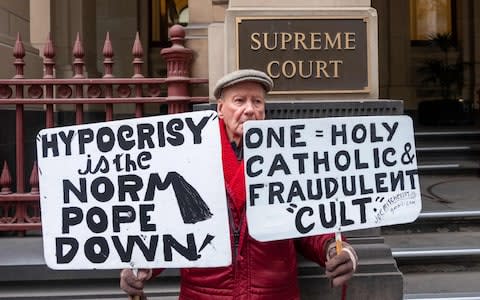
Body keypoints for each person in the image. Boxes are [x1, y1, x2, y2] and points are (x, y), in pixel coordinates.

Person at [120, 69, 358, 299]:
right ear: (220, 109)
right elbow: (169, 229)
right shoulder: (191, 158)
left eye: (257, 102)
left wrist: (333, 247)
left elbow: (307, 220)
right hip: (205, 295)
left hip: (274, 294)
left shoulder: (287, 158)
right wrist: (143, 265)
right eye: (239, 100)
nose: (249, 110)